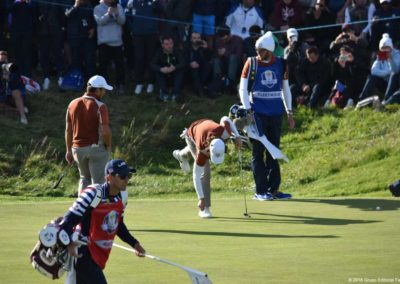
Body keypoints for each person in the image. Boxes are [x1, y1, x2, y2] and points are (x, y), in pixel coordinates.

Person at [60, 159, 146, 283]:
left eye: (128, 176)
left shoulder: (121, 197)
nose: (126, 180)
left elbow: (118, 225)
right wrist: (69, 243)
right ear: (109, 177)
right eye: (122, 176)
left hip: (98, 255)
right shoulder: (92, 193)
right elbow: (69, 219)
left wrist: (135, 244)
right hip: (82, 252)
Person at [238, 31, 295, 201]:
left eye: (260, 50)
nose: (258, 53)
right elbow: (242, 88)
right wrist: (248, 111)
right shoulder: (251, 63)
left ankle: (274, 190)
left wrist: (289, 112)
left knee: (273, 151)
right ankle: (260, 191)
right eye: (257, 49)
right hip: (257, 116)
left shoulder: (282, 64)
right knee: (258, 153)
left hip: (276, 115)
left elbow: (285, 89)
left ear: (269, 51)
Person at [172, 117, 242, 218]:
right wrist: (201, 198)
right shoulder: (203, 150)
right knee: (205, 172)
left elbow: (225, 118)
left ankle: (181, 155)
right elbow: (196, 175)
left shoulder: (225, 132)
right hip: (192, 134)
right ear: (209, 150)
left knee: (194, 151)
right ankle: (205, 209)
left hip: (202, 128)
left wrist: (238, 136)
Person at [65, 75, 112, 193]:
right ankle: (97, 210)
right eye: (103, 90)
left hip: (77, 149)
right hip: (96, 148)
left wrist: (68, 150)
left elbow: (68, 130)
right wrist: (108, 146)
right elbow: (105, 130)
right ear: (97, 90)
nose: (104, 92)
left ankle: (81, 208)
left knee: (84, 179)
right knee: (99, 183)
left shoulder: (72, 104)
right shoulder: (101, 106)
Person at [94, 0, 126, 94]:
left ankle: (120, 85)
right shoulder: (97, 8)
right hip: (104, 42)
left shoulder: (119, 7)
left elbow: (122, 21)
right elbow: (100, 21)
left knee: (120, 65)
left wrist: (116, 14)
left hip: (117, 41)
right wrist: (108, 14)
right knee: (103, 65)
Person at [65, 0, 97, 80]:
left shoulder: (88, 3)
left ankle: (91, 81)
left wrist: (93, 28)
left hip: (87, 36)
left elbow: (94, 17)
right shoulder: (69, 2)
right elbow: (67, 14)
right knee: (76, 60)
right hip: (74, 37)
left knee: (89, 60)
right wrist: (75, 6)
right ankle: (78, 80)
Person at [150, 35, 185, 102]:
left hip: (174, 76)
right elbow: (152, 64)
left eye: (171, 43)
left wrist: (174, 67)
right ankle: (164, 93)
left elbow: (183, 62)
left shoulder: (177, 51)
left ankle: (175, 93)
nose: (169, 46)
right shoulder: (159, 52)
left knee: (180, 70)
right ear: (162, 45)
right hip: (164, 76)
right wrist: (161, 69)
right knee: (158, 71)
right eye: (166, 44)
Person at [0, 50, 28, 124]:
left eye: (4, 58)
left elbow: (15, 86)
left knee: (15, 92)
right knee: (1, 105)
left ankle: (23, 116)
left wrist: (8, 78)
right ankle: (17, 110)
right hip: (4, 97)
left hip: (16, 95)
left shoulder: (13, 68)